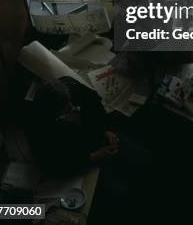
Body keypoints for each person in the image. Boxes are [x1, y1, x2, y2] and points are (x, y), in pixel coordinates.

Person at [26, 77, 154, 225]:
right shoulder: (37, 127)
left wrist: (104, 130)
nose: (72, 107)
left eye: (70, 101)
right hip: (79, 157)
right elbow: (55, 163)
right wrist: (94, 157)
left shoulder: (70, 86)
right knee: (119, 195)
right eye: (64, 107)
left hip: (96, 136)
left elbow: (94, 103)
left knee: (144, 159)